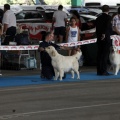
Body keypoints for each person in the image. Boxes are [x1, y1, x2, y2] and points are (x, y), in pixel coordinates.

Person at [95, 5, 112, 76]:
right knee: (105, 55)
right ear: (108, 10)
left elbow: (97, 28)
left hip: (99, 38)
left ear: (102, 10)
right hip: (105, 38)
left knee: (99, 54)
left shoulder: (98, 18)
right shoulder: (108, 18)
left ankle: (99, 70)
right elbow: (107, 26)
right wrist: (104, 34)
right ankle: (104, 71)